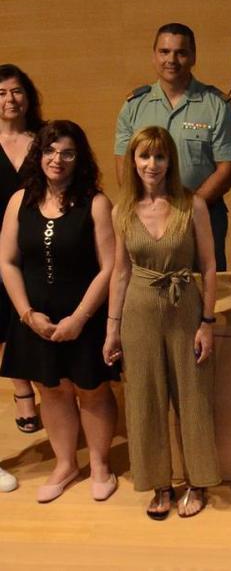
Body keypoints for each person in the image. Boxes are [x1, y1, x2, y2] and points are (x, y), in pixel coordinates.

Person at [104, 126, 220, 519]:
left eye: (159, 157)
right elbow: (119, 272)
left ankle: (198, 482)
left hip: (184, 306)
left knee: (192, 395)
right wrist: (111, 328)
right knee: (144, 398)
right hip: (138, 308)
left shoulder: (193, 205)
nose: (151, 165)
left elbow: (207, 264)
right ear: (133, 161)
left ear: (170, 161)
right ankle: (159, 484)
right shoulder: (121, 210)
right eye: (143, 156)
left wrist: (207, 322)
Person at [0, 121, 118, 503]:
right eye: (51, 151)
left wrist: (80, 318)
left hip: (84, 315)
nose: (58, 159)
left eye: (67, 152)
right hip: (35, 317)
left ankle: (100, 465)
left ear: (78, 158)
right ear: (40, 155)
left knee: (92, 389)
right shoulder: (20, 200)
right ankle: (65, 464)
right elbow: (7, 262)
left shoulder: (96, 203)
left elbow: (109, 267)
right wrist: (26, 314)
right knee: (50, 390)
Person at [114, 23, 231, 270]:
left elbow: (228, 169)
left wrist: (188, 209)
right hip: (145, 217)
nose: (171, 59)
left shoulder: (216, 105)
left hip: (202, 216)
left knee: (203, 292)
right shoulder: (134, 105)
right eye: (164, 52)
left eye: (180, 53)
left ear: (193, 57)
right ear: (154, 56)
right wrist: (152, 206)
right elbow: (123, 165)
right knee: (148, 289)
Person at [0, 64, 45, 466]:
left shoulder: (43, 141)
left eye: (16, 91)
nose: (9, 100)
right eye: (1, 93)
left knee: (26, 318)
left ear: (28, 96)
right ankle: (22, 392)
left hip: (34, 245)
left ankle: (39, 392)